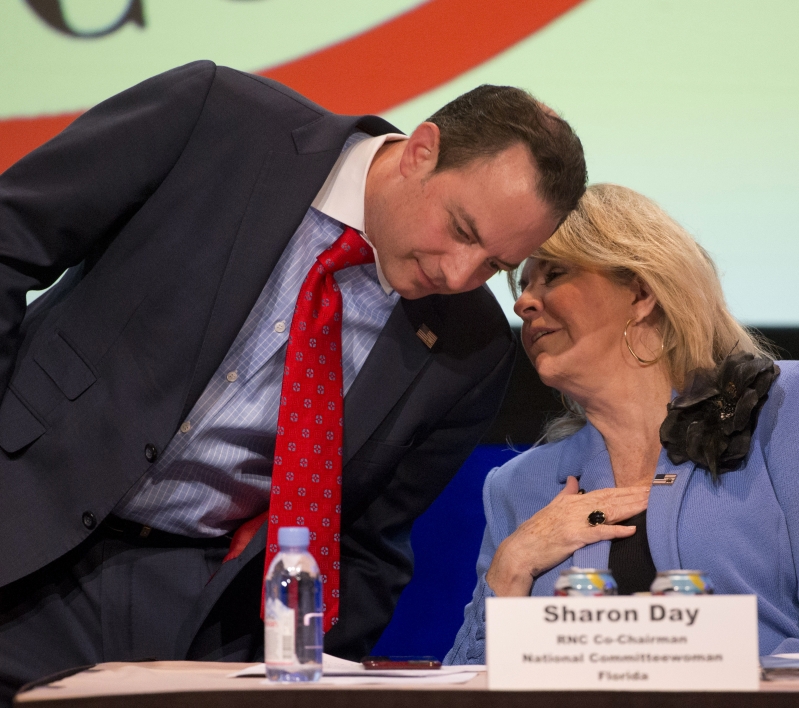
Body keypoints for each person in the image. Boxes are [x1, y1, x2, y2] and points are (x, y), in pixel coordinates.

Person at [0, 60, 586, 699]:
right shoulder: (217, 118)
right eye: (461, 230)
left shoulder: (471, 348)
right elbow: (11, 238)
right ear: (421, 151)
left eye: (495, 264)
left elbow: (368, 546)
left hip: (184, 613)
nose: (459, 272)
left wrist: (309, 683)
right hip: (21, 496)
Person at [446, 184, 799, 664]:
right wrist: (511, 566)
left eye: (553, 275)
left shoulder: (782, 407)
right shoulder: (519, 487)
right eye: (522, 286)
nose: (524, 304)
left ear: (641, 292)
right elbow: (464, 686)